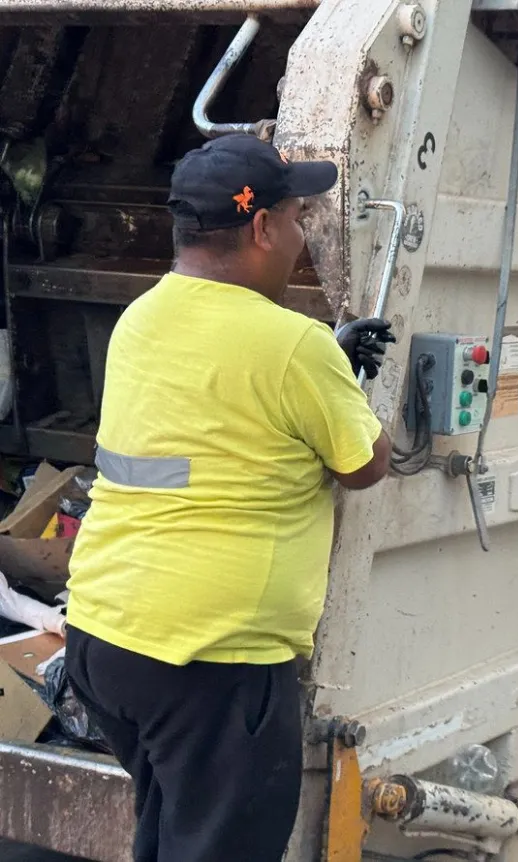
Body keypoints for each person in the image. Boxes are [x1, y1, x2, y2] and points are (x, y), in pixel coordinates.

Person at [63, 134, 394, 862]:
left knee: (169, 836)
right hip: (212, 668)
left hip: (107, 641)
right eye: (300, 215)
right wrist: (347, 381)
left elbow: (220, 411)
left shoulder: (138, 322)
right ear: (262, 227)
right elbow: (366, 464)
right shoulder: (293, 347)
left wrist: (323, 362)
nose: (304, 235)